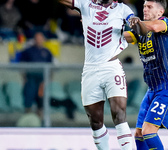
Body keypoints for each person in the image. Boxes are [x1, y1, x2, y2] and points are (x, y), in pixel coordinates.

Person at [58, 0, 135, 149]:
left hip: (112, 66)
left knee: (119, 114)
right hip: (90, 69)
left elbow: (136, 25)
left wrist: (135, 24)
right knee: (95, 122)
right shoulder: (85, 5)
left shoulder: (123, 9)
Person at [124, 0, 168, 149]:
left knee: (149, 132)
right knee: (139, 133)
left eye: (149, 7)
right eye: (144, 6)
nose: (145, 9)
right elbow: (123, 36)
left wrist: (137, 23)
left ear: (160, 12)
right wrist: (103, 29)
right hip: (152, 90)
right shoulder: (140, 31)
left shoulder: (164, 23)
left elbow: (154, 27)